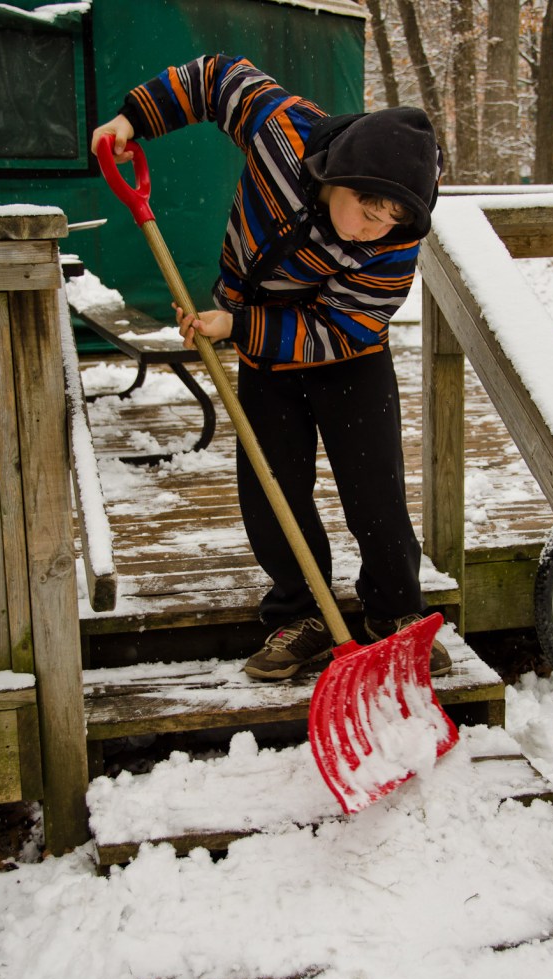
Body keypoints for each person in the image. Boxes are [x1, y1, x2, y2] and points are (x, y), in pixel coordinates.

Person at [91, 53, 451, 681]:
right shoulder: (282, 131)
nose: (374, 228)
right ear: (339, 172)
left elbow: (343, 328)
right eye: (368, 207)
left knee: (375, 492)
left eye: (392, 218)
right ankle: (303, 612)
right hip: (262, 347)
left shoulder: (394, 245)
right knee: (270, 486)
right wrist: (133, 118)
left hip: (347, 356)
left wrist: (238, 325)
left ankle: (393, 613)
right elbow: (216, 79)